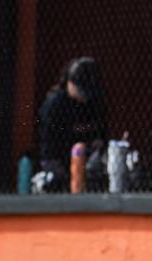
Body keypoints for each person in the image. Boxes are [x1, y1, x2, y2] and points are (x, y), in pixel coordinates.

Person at [35, 57, 108, 189]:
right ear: (70, 82)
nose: (84, 95)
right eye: (81, 89)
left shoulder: (94, 102)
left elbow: (100, 132)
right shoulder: (56, 104)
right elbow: (48, 145)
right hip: (58, 160)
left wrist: (97, 143)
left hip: (87, 158)